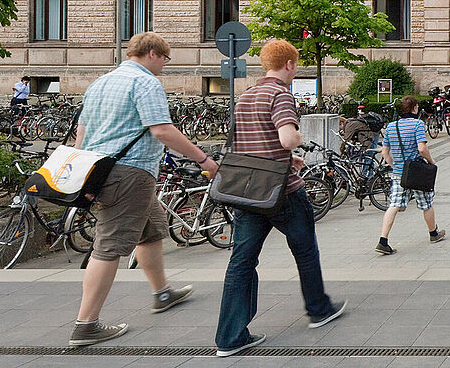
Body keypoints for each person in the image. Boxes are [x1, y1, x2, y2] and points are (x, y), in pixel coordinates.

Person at [68, 32, 217, 348]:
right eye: (165, 59)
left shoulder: (101, 82)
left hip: (99, 169)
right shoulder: (146, 82)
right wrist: (204, 158)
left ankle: (162, 293)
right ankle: (86, 324)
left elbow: (82, 132)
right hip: (129, 173)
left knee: (150, 230)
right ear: (152, 53)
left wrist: (82, 174)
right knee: (109, 246)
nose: (164, 65)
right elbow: (162, 129)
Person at [215, 39, 344, 358]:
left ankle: (230, 336)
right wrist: (297, 142)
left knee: (242, 261)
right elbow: (286, 138)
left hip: (248, 192)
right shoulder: (280, 95)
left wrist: (287, 158)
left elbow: (246, 144)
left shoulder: (245, 96)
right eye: (296, 65)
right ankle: (318, 309)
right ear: (289, 65)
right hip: (282, 192)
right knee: (305, 249)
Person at [375, 96, 444, 254]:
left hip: (399, 173)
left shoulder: (391, 127)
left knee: (394, 205)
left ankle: (383, 240)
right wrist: (431, 161)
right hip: (417, 172)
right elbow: (421, 148)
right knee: (426, 203)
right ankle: (433, 233)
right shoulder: (418, 124)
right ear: (414, 108)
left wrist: (394, 165)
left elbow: (385, 152)